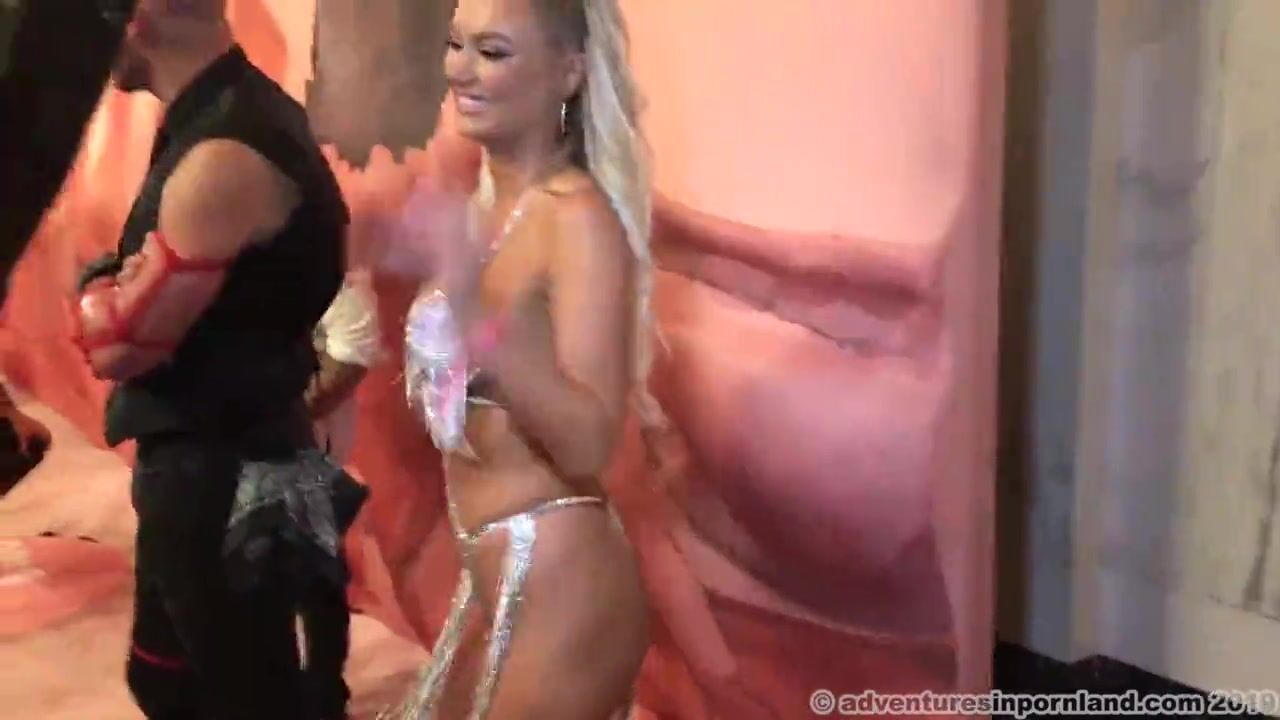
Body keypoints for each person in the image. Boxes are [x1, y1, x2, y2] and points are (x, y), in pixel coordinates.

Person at [70, 1, 348, 717]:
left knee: (245, 698)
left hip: (217, 471)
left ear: (139, 18)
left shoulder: (223, 156)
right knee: (168, 678)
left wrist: (96, 283)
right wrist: (116, 281)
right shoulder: (232, 116)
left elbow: (117, 346)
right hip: (230, 449)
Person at [389, 0, 655, 717]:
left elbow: (591, 441)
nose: (459, 70)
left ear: (569, 72)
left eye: (492, 52)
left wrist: (478, 321)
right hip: (497, 578)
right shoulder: (484, 207)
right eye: (455, 44)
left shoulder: (576, 219)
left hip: (563, 584)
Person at [302, 267, 383, 720]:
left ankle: (324, 693)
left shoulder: (331, 274)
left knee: (318, 580)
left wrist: (269, 410)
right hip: (232, 446)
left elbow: (352, 353)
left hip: (307, 455)